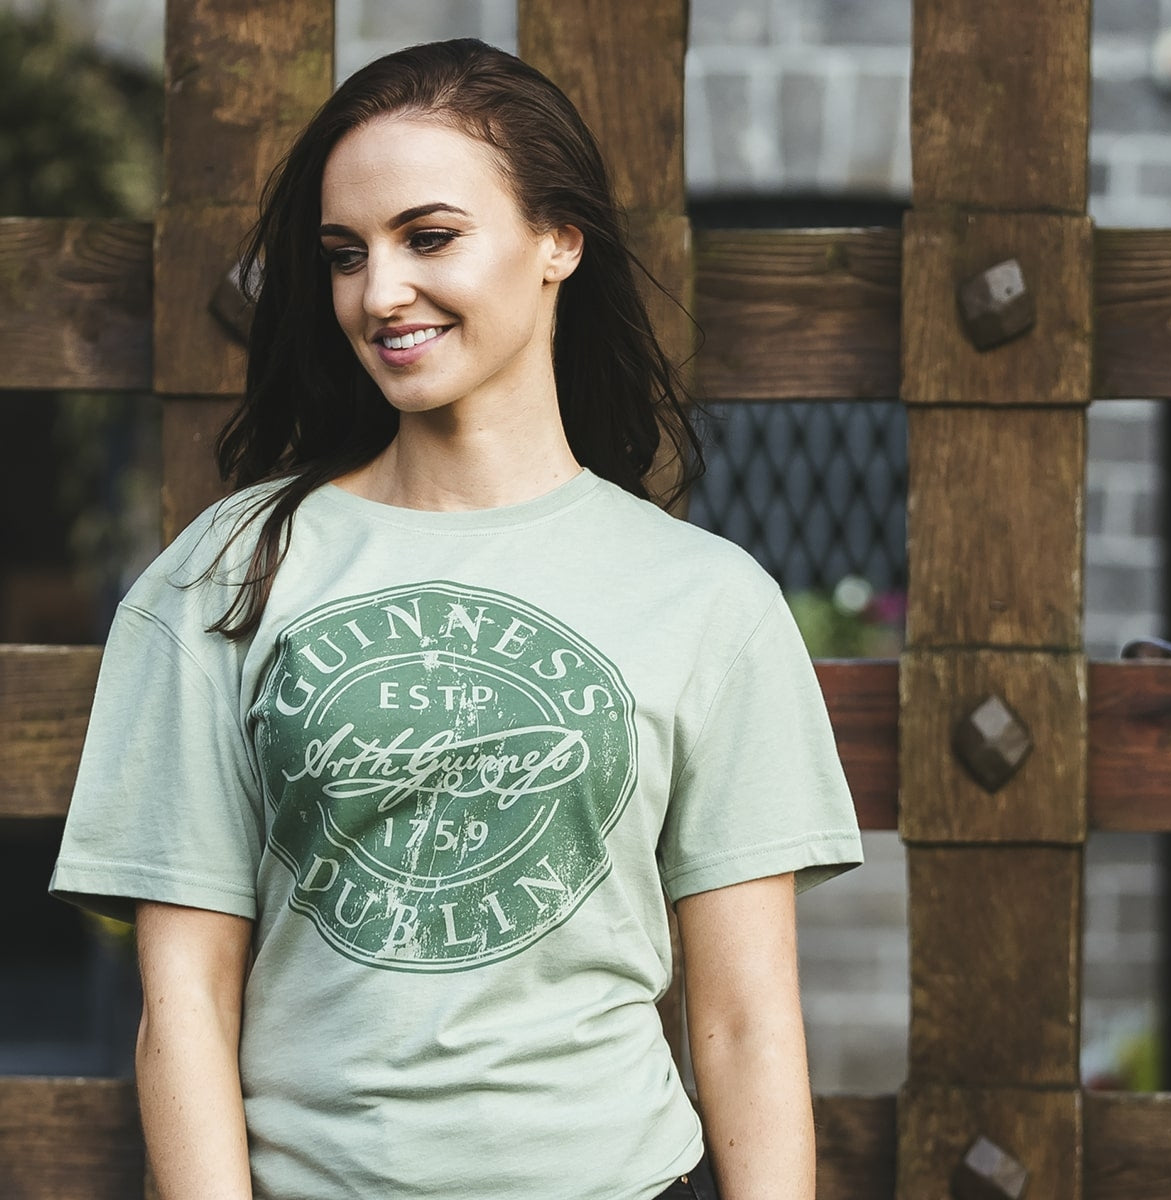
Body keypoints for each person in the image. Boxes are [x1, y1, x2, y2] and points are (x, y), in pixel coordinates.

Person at [50, 38, 862, 1200]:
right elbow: (182, 1008)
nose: (378, 293)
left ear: (558, 242)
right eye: (345, 255)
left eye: (429, 237)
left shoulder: (709, 597)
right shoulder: (225, 578)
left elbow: (744, 1023)